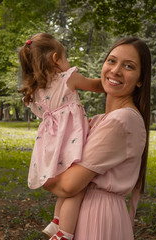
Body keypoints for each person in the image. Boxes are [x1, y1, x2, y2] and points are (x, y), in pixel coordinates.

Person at [43, 37, 151, 240]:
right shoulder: (101, 120)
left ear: (140, 80)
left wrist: (44, 178)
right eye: (111, 61)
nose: (116, 70)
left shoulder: (122, 120)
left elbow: (69, 185)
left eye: (128, 66)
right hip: (85, 213)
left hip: (98, 218)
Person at [18, 33, 104, 240]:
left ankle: (56, 221)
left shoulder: (36, 91)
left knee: (65, 188)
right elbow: (97, 86)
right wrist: (113, 79)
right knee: (76, 190)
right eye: (65, 57)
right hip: (70, 143)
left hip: (52, 146)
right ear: (55, 58)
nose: (68, 62)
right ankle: (64, 234)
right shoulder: (68, 78)